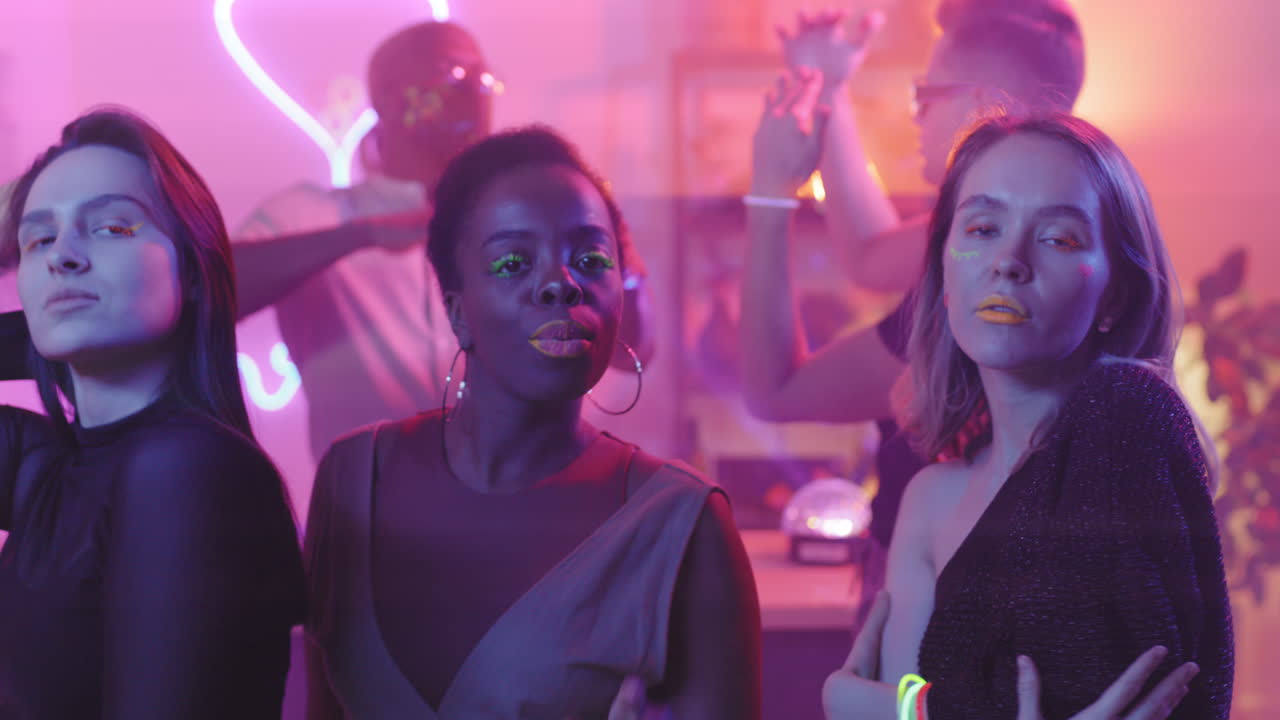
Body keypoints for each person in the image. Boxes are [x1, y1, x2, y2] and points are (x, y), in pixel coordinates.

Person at [302, 126, 761, 719]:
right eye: (514, 262)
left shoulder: (681, 524)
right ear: (457, 310)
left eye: (590, 259)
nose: (559, 284)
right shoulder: (352, 481)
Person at [821, 113, 1232, 719]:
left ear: (1114, 296)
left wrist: (881, 706)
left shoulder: (1132, 418)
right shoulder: (931, 498)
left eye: (1058, 238)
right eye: (983, 227)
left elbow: (1085, 687)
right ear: (943, 270)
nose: (1008, 262)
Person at [743, 0, 1086, 625]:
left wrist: (768, 191)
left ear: (984, 105)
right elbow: (869, 255)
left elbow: (775, 391)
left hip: (934, 615)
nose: (915, 110)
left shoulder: (968, 296)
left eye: (927, 91)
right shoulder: (1060, 239)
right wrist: (833, 90)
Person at [233, 21, 654, 466]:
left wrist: (618, 269)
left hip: (524, 493)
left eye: (484, 79)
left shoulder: (525, 219)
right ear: (390, 101)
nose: (476, 94)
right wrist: (362, 236)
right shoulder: (310, 215)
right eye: (453, 76)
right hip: (369, 509)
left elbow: (635, 352)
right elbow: (210, 286)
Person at [0, 109, 304, 717]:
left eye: (111, 228)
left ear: (193, 272)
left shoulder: (187, 467)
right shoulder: (45, 465)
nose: (63, 256)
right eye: (38, 239)